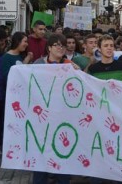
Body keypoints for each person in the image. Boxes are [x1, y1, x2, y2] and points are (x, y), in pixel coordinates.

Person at [31, 34, 73, 183]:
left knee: (63, 153)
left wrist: (77, 71)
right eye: (57, 45)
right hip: (42, 118)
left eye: (63, 45)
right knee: (42, 152)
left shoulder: (70, 65)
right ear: (49, 48)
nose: (60, 48)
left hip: (63, 117)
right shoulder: (38, 64)